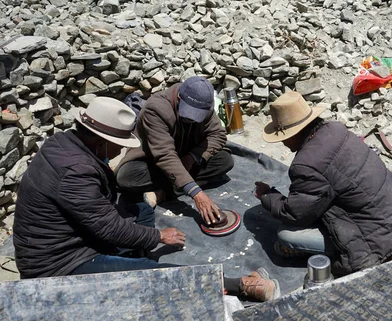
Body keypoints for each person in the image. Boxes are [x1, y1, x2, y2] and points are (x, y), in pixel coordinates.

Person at [13, 97, 278, 302]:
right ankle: (240, 284)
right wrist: (158, 238)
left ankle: (130, 254)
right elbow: (108, 228)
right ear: (101, 141)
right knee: (156, 274)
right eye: (118, 143)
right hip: (61, 263)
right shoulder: (75, 173)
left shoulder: (63, 143)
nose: (120, 149)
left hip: (80, 235)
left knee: (138, 205)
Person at [254, 91, 392, 276]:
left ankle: (326, 253)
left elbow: (295, 214)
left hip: (376, 240)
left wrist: (267, 196)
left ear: (295, 133)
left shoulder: (307, 164)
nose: (284, 143)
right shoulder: (335, 129)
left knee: (285, 235)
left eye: (284, 136)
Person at [116, 76, 233, 226]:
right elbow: (165, 155)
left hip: (186, 156)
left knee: (224, 160)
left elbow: (218, 135)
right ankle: (175, 188)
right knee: (126, 177)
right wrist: (196, 193)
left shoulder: (205, 105)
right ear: (179, 98)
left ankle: (162, 193)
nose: (192, 120)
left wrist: (192, 157)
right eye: (189, 115)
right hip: (154, 160)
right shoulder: (156, 108)